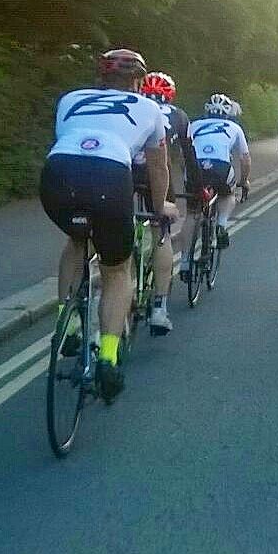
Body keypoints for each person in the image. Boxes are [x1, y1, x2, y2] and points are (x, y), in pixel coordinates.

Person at [39, 49, 176, 401]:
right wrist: (160, 207)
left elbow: (67, 139)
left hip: (58, 175)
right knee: (117, 271)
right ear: (139, 81)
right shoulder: (149, 109)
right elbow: (158, 168)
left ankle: (66, 323)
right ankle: (109, 356)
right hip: (110, 178)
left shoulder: (70, 98)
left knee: (76, 241)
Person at [139, 71, 194, 335]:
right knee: (162, 236)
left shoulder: (132, 105)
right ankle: (159, 307)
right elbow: (188, 156)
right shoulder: (179, 116)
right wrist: (198, 190)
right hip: (158, 177)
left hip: (123, 176)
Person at [187, 93, 251, 251]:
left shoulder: (193, 124)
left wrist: (186, 173)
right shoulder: (235, 128)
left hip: (196, 166)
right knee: (228, 195)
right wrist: (244, 181)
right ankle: (221, 224)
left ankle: (185, 262)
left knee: (191, 213)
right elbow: (245, 158)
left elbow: (184, 152)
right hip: (221, 167)